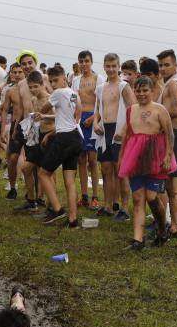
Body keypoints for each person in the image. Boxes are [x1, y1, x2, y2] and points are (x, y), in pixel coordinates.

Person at [117, 75, 176, 251]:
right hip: (135, 157)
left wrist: (167, 155)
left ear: (152, 91)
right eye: (138, 90)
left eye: (145, 90)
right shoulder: (131, 110)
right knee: (137, 198)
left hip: (155, 156)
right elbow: (128, 136)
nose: (141, 94)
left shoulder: (160, 110)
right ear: (134, 91)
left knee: (151, 197)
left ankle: (161, 227)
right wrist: (121, 157)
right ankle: (138, 240)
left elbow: (169, 134)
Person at [34, 65, 82, 229]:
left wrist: (41, 111)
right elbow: (75, 115)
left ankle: (57, 209)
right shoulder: (74, 94)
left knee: (43, 173)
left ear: (64, 78)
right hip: (76, 137)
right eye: (51, 81)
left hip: (65, 139)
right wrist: (51, 133)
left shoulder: (57, 93)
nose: (53, 84)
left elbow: (44, 108)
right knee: (70, 181)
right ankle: (73, 220)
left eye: (55, 80)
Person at [92, 53, 134, 219]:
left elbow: (132, 109)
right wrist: (95, 123)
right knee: (106, 170)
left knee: (121, 171)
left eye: (113, 66)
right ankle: (108, 205)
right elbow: (97, 110)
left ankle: (124, 208)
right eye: (107, 66)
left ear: (118, 67)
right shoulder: (101, 88)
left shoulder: (123, 86)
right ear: (104, 66)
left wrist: (123, 131)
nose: (110, 69)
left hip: (119, 131)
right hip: (104, 131)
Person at [0, 50, 45, 199]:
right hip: (25, 125)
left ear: (35, 63)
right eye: (24, 64)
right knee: (16, 159)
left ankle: (39, 196)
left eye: (29, 63)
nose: (27, 66)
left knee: (38, 163)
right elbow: (19, 108)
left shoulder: (44, 79)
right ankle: (18, 190)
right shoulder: (20, 84)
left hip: (42, 126)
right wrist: (15, 127)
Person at [15, 70, 54, 213]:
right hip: (37, 137)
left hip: (50, 136)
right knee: (26, 168)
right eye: (30, 87)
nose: (33, 90)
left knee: (48, 172)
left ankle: (52, 205)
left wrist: (44, 116)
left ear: (42, 84)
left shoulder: (51, 99)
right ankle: (31, 201)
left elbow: (59, 117)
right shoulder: (33, 100)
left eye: (35, 86)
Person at [71, 50, 105, 210]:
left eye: (86, 61)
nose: (83, 64)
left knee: (93, 160)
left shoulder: (99, 79)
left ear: (91, 62)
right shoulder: (76, 80)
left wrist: (94, 119)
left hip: (93, 118)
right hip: (79, 119)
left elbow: (101, 102)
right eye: (81, 61)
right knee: (81, 159)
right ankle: (84, 195)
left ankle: (95, 196)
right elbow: (73, 101)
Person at [158, 49, 177, 239]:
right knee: (164, 184)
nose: (163, 68)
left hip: (173, 136)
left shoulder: (174, 84)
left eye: (167, 64)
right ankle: (168, 224)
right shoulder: (166, 84)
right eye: (160, 65)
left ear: (175, 66)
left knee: (172, 187)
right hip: (167, 136)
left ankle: (175, 226)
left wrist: (158, 114)